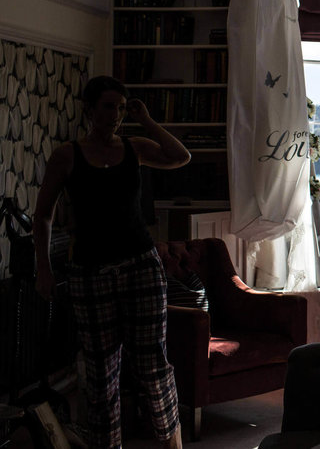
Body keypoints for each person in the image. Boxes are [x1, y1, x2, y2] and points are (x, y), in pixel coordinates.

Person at [33, 75, 190, 449]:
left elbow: (180, 156)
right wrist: (43, 267)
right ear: (88, 109)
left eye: (121, 107)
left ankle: (174, 444)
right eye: (108, 106)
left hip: (141, 268)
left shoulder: (134, 148)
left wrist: (147, 120)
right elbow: (43, 215)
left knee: (153, 367)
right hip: (90, 273)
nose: (116, 115)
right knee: (102, 376)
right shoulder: (67, 155)